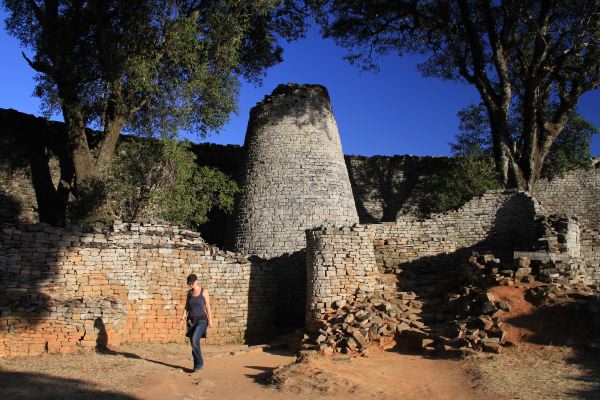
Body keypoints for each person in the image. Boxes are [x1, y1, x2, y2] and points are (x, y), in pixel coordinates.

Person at [179, 273, 213, 372]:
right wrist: (182, 319)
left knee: (194, 339)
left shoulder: (204, 291)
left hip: (202, 319)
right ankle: (196, 365)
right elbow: (186, 307)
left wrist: (210, 320)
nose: (191, 285)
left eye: (192, 283)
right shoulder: (189, 293)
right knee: (193, 343)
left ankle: (199, 364)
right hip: (191, 321)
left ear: (196, 281)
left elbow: (207, 306)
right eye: (189, 283)